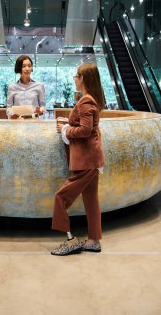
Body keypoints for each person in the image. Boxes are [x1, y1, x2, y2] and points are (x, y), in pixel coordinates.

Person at [51, 62, 105, 256]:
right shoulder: (89, 99)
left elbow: (85, 130)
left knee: (61, 197)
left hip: (86, 160)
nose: (74, 78)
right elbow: (86, 125)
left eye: (76, 75)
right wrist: (69, 122)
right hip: (91, 160)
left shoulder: (86, 101)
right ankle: (93, 240)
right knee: (91, 200)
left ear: (83, 78)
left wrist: (65, 129)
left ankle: (70, 240)